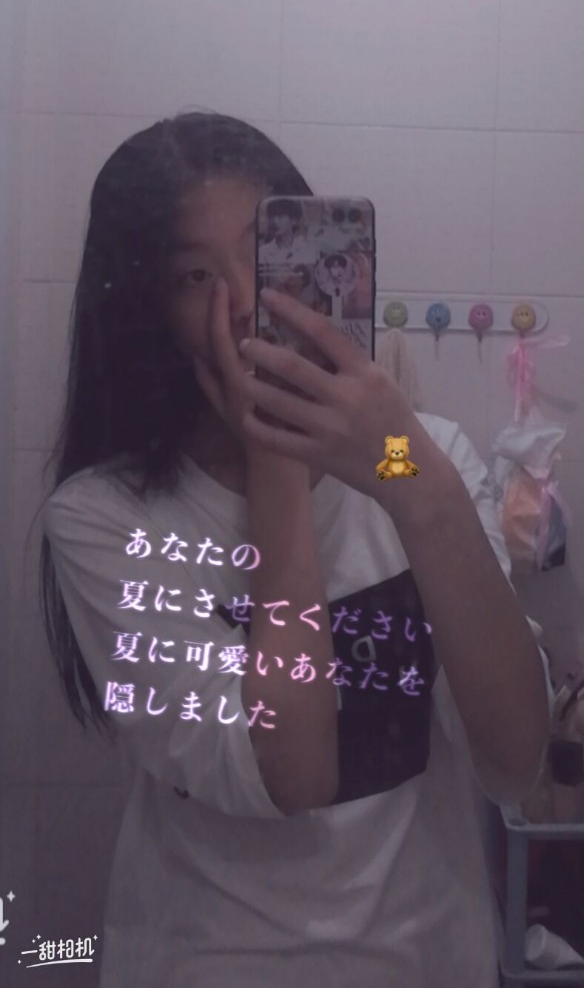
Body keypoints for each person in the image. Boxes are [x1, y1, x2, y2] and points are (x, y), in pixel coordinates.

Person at [40, 112, 553, 988]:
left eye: (264, 252)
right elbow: (296, 771)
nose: (245, 301)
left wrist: (410, 477)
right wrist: (277, 471)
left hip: (426, 961)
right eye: (195, 275)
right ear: (147, 311)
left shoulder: (412, 457)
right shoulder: (105, 521)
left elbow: (517, 759)